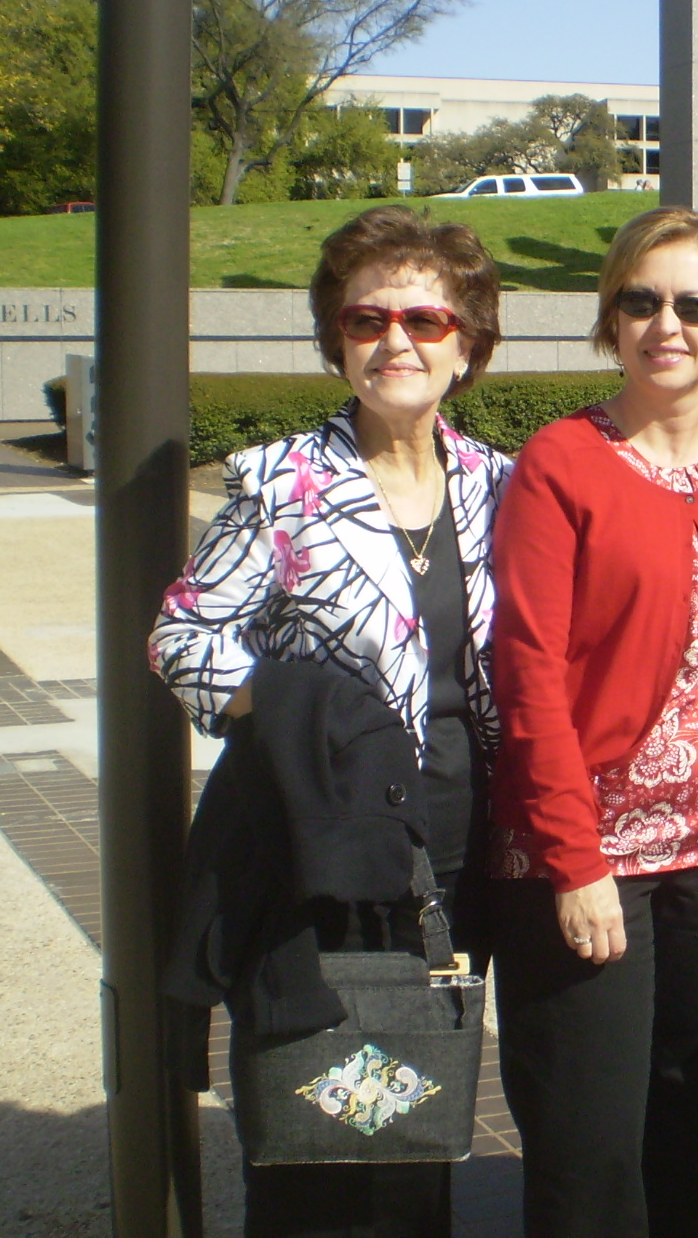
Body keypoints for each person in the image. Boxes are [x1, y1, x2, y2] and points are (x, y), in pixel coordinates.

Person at [151, 204, 512, 1238]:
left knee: (414, 1097)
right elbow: (183, 635)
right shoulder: (281, 482)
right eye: (366, 318)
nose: (396, 339)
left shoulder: (498, 484)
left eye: (425, 319)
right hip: (322, 846)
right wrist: (290, 708)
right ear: (337, 340)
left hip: (451, 853)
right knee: (324, 1106)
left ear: (466, 345)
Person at [487, 207, 698, 1238]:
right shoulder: (560, 463)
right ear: (611, 317)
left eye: (696, 305)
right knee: (588, 1142)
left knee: (690, 1117)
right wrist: (574, 863)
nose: (667, 325)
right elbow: (526, 677)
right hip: (589, 857)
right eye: (642, 301)